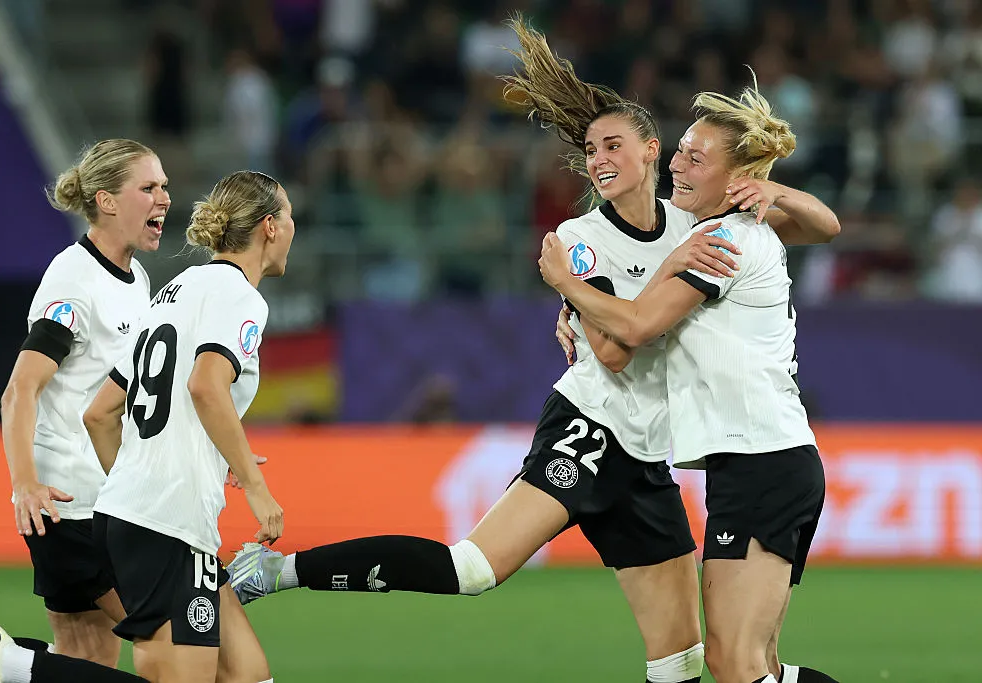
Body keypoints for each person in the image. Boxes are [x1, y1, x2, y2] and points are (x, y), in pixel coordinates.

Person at [226, 18, 838, 683]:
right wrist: (574, 291)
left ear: (651, 150)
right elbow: (613, 351)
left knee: (684, 667)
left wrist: (778, 190)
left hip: (646, 455)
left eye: (612, 145)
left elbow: (818, 226)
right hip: (590, 428)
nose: (599, 159)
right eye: (590, 149)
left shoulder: (695, 219)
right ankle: (275, 570)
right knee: (472, 569)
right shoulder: (580, 239)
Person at [538, 75, 841, 683]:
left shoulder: (723, 239)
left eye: (695, 158)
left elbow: (641, 325)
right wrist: (575, 310)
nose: (677, 164)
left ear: (735, 180)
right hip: (754, 461)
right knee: (753, 666)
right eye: (680, 149)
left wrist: (566, 285)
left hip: (764, 458)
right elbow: (825, 225)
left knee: (736, 666)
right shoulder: (714, 228)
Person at [0, 171, 294, 683]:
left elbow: (101, 411)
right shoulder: (241, 298)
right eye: (289, 216)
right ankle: (10, 664)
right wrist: (255, 483)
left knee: (246, 674)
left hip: (139, 512)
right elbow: (206, 386)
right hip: (170, 519)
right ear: (268, 227)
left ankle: (14, 665)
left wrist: (141, 478)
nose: (294, 226)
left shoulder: (175, 288)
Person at [0, 139, 167, 671]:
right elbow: (19, 390)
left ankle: (8, 667)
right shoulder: (74, 283)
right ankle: (5, 668)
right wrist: (25, 485)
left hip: (101, 500)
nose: (164, 198)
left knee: (87, 664)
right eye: (148, 188)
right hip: (71, 506)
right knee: (170, 639)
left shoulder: (137, 279)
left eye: (164, 187)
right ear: (107, 200)